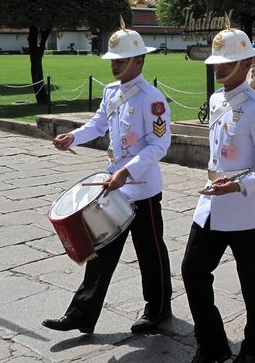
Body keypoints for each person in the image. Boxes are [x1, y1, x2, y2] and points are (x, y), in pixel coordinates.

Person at [44, 26, 173, 335]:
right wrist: (73, 137)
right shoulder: (111, 92)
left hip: (141, 189)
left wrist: (127, 172)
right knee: (98, 251)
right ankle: (81, 314)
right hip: (111, 188)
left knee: (151, 253)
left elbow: (160, 145)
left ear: (139, 61)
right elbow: (99, 123)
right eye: (113, 60)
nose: (114, 65)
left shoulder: (151, 99)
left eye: (122, 60)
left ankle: (158, 309)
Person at [181, 27, 255, 363]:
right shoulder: (216, 99)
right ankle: (211, 344)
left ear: (247, 63)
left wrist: (240, 184)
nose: (219, 68)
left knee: (252, 283)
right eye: (217, 62)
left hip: (245, 208)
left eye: (228, 62)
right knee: (192, 271)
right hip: (211, 204)